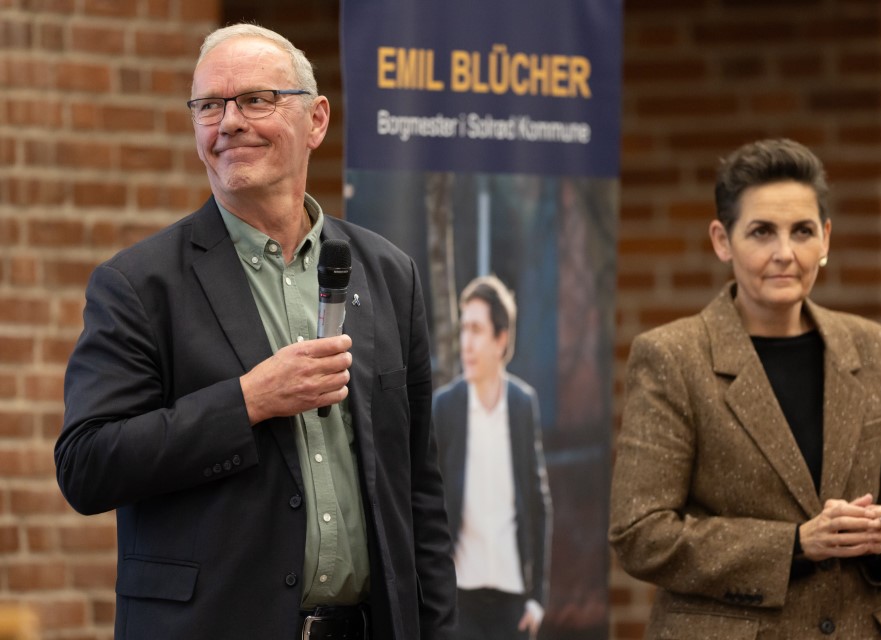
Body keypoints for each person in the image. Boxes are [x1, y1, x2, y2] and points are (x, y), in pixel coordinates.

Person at [54, 23, 456, 640]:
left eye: (255, 100)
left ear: (316, 120)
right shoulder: (138, 285)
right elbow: (87, 465)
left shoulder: (387, 273)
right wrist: (247, 400)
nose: (230, 123)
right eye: (209, 106)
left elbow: (419, 493)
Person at [609, 138, 881, 639]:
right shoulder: (673, 357)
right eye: (762, 232)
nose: (785, 253)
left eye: (802, 231)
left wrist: (877, 534)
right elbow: (640, 533)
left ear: (825, 239)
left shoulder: (873, 349)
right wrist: (795, 544)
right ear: (722, 240)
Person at [434, 275, 552, 640]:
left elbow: (538, 504)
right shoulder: (446, 407)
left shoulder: (522, 404)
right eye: (463, 329)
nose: (466, 343)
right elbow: (428, 504)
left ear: (501, 339)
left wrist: (537, 600)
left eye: (477, 330)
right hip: (459, 599)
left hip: (512, 603)